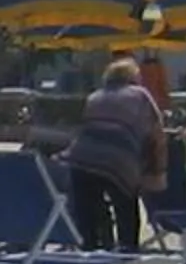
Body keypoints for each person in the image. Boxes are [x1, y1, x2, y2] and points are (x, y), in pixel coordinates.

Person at [61, 55, 166, 252]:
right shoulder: (140, 95)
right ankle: (128, 247)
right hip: (119, 158)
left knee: (87, 206)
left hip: (82, 157)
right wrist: (157, 171)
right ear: (133, 77)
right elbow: (156, 134)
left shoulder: (95, 96)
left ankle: (90, 246)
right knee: (125, 201)